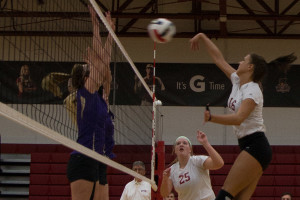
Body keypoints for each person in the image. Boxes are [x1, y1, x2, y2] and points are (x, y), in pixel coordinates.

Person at [190, 32, 297, 200]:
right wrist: (203, 37)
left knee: (224, 195)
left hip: (256, 146)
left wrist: (212, 117)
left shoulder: (253, 90)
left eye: (243, 60)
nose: (240, 62)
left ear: (250, 67)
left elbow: (239, 118)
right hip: (250, 146)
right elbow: (219, 60)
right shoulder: (237, 81)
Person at [66, 4, 115, 200]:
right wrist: (97, 27)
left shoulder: (102, 98)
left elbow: (105, 65)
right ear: (86, 78)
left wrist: (110, 33)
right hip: (84, 158)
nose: (95, 69)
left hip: (100, 160)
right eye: (90, 69)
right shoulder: (85, 92)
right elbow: (102, 59)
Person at [160, 131, 224, 200]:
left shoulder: (198, 161)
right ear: (175, 150)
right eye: (178, 143)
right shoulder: (172, 169)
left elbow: (219, 163)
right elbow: (164, 193)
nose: (181, 145)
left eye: (185, 143)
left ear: (190, 149)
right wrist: (165, 179)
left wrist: (205, 143)